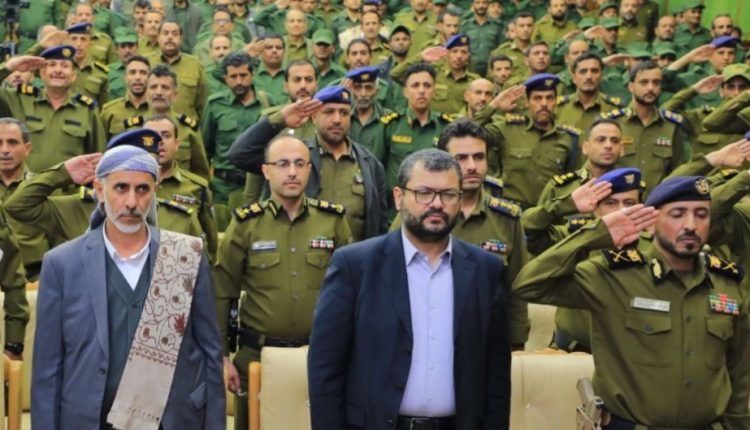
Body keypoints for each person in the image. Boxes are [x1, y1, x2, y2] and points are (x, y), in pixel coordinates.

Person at [513, 176, 750, 429]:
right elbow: (528, 284)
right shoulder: (614, 276)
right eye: (677, 214)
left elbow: (738, 373)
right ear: (651, 223)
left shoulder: (727, 283)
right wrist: (597, 233)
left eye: (701, 215)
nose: (691, 225)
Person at [308, 148, 511, 430]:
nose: (437, 204)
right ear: (398, 197)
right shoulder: (355, 266)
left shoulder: (485, 270)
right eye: (424, 193)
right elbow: (325, 368)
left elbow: (497, 375)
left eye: (448, 194)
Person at [32, 141, 224, 429]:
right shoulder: (62, 264)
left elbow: (211, 353)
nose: (132, 202)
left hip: (172, 420)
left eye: (142, 189)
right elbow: (48, 369)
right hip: (89, 421)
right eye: (121, 188)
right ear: (99, 190)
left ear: (155, 191)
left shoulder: (185, 256)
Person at [215, 135, 352, 430]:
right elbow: (223, 291)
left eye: (300, 164)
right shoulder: (246, 224)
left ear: (310, 169)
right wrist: (222, 356)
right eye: (283, 164)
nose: (292, 172)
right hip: (256, 358)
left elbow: (350, 292)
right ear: (266, 171)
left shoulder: (332, 221)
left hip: (319, 356)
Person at [390, 119, 529, 348]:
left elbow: (516, 289)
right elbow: (392, 275)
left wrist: (516, 343)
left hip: (482, 339)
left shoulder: (506, 219)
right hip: (421, 334)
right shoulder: (420, 213)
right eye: (461, 158)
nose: (472, 166)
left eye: (479, 157)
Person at [229, 85, 389, 241]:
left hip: (354, 255)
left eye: (344, 113)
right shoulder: (296, 157)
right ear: (314, 117)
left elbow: (379, 223)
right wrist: (279, 120)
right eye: (329, 112)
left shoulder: (369, 164)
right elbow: (240, 154)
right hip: (300, 253)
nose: (337, 120)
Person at [0, 45, 106, 173]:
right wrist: (9, 67)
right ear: (42, 73)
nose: (58, 70)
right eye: (52, 65)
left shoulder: (87, 108)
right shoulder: (19, 99)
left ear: (74, 76)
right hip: (25, 185)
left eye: (65, 66)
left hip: (69, 186)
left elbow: (98, 156)